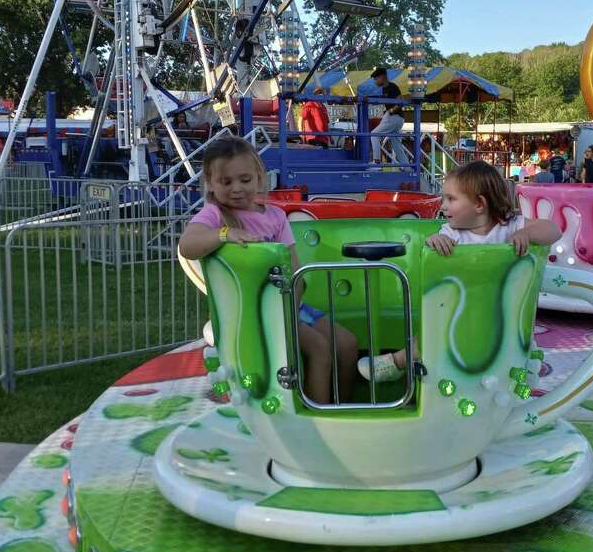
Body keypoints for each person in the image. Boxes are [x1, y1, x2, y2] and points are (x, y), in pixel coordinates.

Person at [178, 137, 359, 405]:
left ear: (259, 177)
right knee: (320, 349)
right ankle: (318, 417)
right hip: (255, 311)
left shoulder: (275, 217)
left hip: (290, 303)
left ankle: (344, 407)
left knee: (347, 343)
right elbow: (187, 245)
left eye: (245, 180)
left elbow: (295, 270)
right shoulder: (215, 214)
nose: (237, 189)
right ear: (211, 183)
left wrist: (291, 308)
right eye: (226, 182)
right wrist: (224, 234)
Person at [358, 160, 563, 383]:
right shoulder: (452, 233)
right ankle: (396, 362)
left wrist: (528, 234)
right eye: (443, 198)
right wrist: (436, 241)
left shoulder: (510, 225)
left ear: (479, 204)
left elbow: (553, 229)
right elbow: (432, 251)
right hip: (462, 308)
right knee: (432, 333)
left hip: (503, 311)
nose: (443, 205)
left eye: (451, 199)